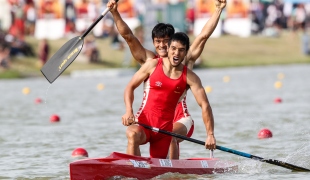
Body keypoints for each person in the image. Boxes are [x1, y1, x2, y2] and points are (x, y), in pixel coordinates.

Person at [107, 0, 226, 159]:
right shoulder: (150, 62)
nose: (162, 46)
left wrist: (218, 10)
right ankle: (136, 169)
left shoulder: (184, 61)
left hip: (179, 119)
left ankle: (173, 172)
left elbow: (203, 36)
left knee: (170, 137)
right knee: (133, 135)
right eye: (158, 41)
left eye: (166, 41)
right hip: (150, 121)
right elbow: (128, 37)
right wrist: (115, 12)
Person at [122, 32, 216, 159]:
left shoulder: (191, 77)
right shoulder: (152, 65)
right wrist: (129, 111)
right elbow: (130, 87)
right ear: (168, 48)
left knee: (161, 170)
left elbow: (205, 105)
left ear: (186, 52)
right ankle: (132, 168)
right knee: (132, 134)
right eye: (174, 49)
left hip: (164, 132)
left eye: (181, 50)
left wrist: (210, 134)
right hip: (144, 124)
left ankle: (161, 172)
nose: (176, 53)